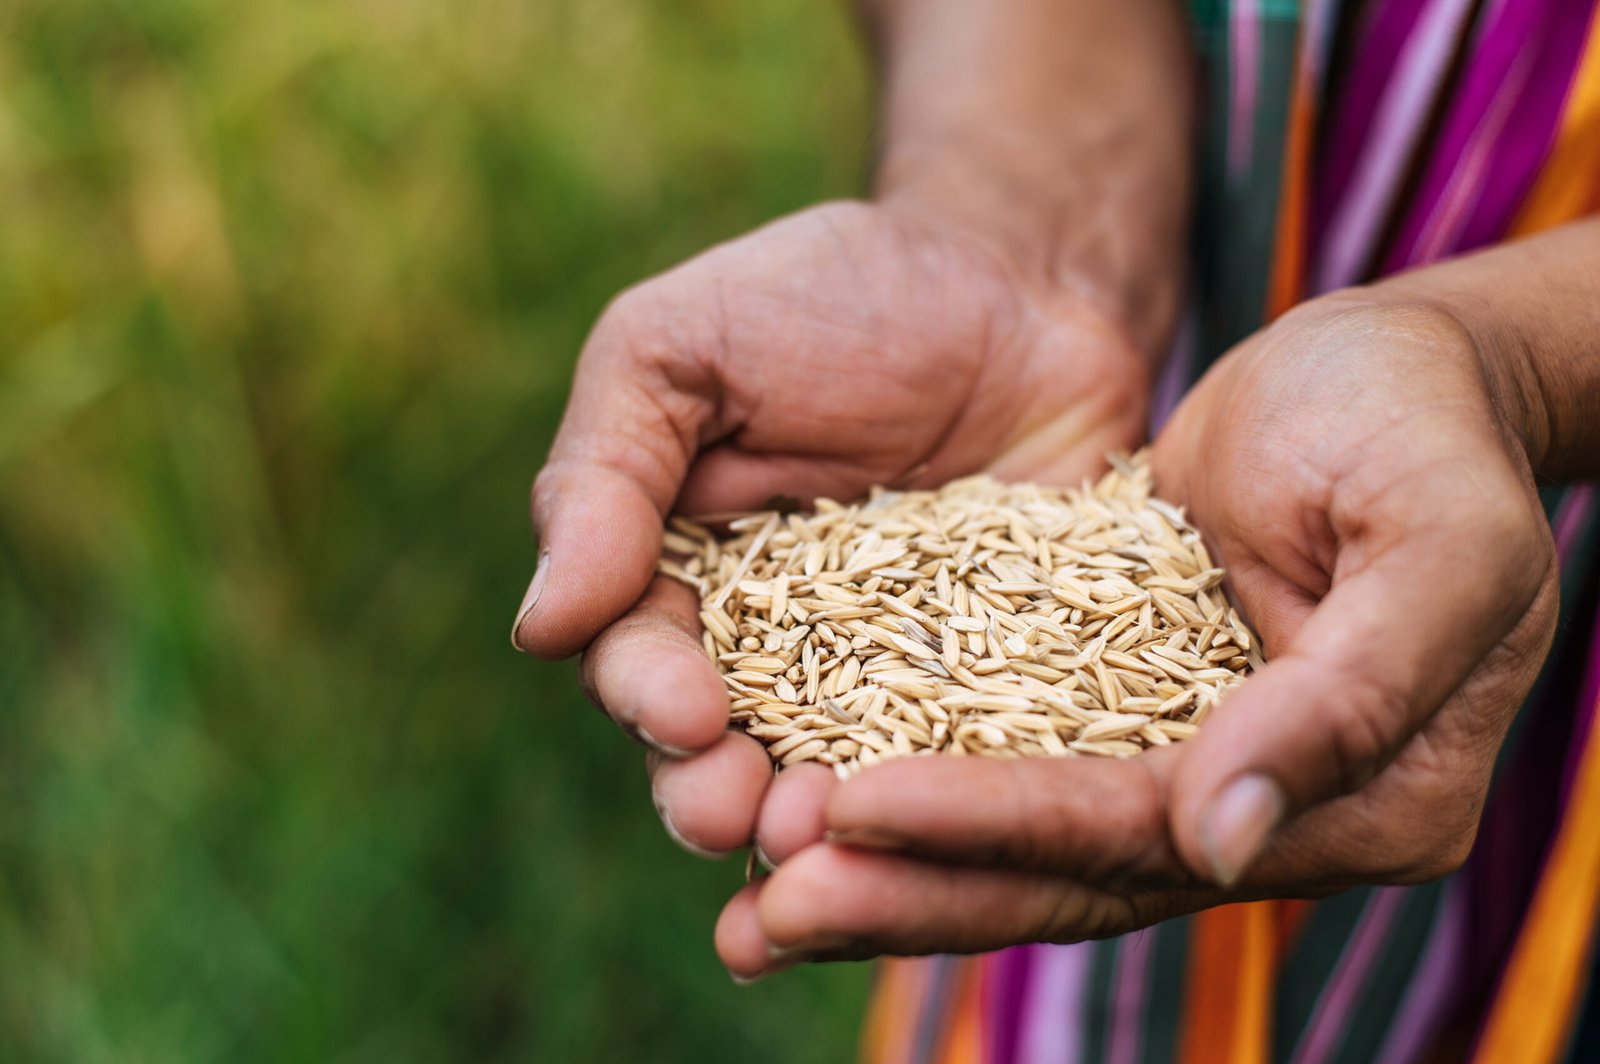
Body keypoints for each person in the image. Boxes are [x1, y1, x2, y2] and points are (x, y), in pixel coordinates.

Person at [511, 0, 1600, 1059]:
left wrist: (1519, 366)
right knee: (986, 838)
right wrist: (1021, 215)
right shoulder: (1103, 498)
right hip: (1170, 437)